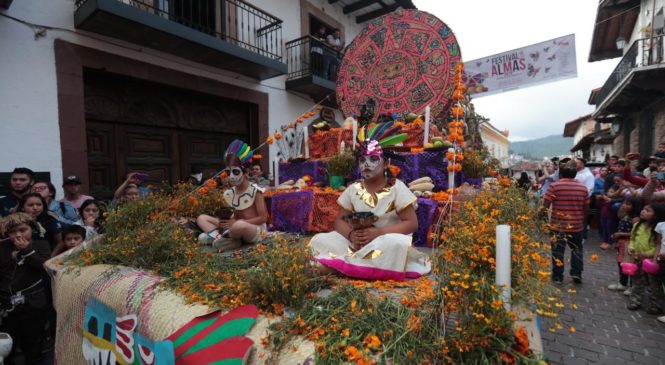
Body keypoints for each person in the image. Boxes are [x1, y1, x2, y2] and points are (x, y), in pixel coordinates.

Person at [309, 122, 431, 281]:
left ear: (386, 163)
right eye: (362, 160)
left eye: (373, 159)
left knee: (397, 243)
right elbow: (339, 221)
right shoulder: (354, 189)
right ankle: (353, 265)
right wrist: (351, 235)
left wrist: (379, 233)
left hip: (384, 242)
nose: (366, 164)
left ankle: (336, 266)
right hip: (357, 243)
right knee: (322, 239)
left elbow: (411, 223)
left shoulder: (396, 187)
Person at [196, 140, 268, 252]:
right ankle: (223, 239)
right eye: (228, 172)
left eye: (235, 172)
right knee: (202, 218)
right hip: (234, 226)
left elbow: (263, 218)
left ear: (245, 172)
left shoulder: (256, 191)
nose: (231, 176)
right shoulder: (229, 193)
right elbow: (234, 214)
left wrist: (237, 223)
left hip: (253, 229)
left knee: (239, 226)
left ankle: (222, 238)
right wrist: (225, 222)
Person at [0, 212, 51, 364]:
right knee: (7, 345)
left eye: (22, 230)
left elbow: (44, 267)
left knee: (33, 344)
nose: (17, 235)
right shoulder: (3, 247)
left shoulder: (42, 244)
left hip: (33, 303)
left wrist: (26, 250)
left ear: (32, 229)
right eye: (12, 232)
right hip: (6, 304)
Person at [542, 161, 589, 284]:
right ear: (575, 175)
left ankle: (558, 276)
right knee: (577, 249)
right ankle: (576, 273)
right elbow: (586, 209)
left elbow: (545, 205)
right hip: (577, 225)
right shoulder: (583, 188)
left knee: (558, 251)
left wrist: (541, 216)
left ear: (561, 175)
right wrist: (582, 220)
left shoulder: (555, 186)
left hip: (558, 226)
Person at [626, 203, 665, 314]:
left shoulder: (657, 229)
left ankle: (656, 305)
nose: (643, 211)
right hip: (637, 258)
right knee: (637, 280)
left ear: (656, 215)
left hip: (651, 261)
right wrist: (631, 247)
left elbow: (658, 244)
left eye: (648, 211)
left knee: (654, 283)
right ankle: (635, 301)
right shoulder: (637, 225)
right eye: (643, 209)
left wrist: (649, 254)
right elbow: (632, 239)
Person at [607, 196, 643, 293]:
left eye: (628, 204)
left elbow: (636, 234)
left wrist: (620, 234)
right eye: (624, 203)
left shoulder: (635, 219)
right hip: (622, 243)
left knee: (630, 264)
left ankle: (632, 286)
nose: (624, 205)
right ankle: (622, 283)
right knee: (621, 263)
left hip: (630, 244)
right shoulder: (625, 215)